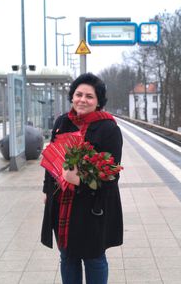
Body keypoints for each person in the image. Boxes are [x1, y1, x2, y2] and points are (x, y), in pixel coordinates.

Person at [41, 73, 123, 284]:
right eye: (79, 94)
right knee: (67, 255)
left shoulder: (108, 128)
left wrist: (80, 181)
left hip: (92, 205)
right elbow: (51, 160)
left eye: (89, 96)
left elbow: (111, 175)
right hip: (62, 201)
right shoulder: (62, 122)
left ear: (98, 102)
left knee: (93, 257)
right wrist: (46, 190)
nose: (82, 100)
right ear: (72, 96)